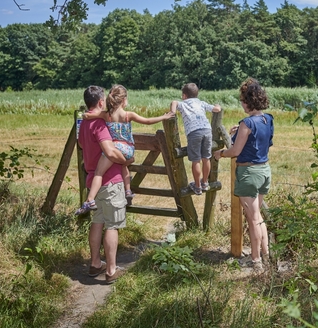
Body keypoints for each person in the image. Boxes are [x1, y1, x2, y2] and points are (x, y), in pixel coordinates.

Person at [76, 84, 174, 214]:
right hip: (128, 149)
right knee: (124, 166)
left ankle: (90, 200)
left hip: (115, 148)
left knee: (98, 172)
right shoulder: (128, 115)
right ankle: (128, 191)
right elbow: (148, 121)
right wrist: (163, 117)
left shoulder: (106, 115)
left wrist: (85, 116)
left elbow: (89, 116)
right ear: (124, 100)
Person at [213, 78, 273, 271]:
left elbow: (235, 152)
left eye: (242, 100)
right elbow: (262, 141)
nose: (242, 104)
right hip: (264, 170)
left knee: (253, 219)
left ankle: (255, 261)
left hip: (249, 172)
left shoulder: (246, 123)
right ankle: (266, 256)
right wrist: (238, 133)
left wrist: (219, 154)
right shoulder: (268, 119)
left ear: (249, 101)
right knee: (259, 217)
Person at [78, 85, 128, 283]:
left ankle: (95, 263)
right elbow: (109, 151)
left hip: (93, 181)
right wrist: (125, 160)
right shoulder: (98, 124)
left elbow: (82, 145)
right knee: (112, 225)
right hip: (109, 181)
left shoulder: (83, 122)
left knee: (97, 221)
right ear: (100, 102)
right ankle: (111, 270)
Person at [170, 83, 221, 195]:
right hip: (207, 130)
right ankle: (205, 182)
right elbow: (216, 109)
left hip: (194, 132)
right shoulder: (201, 103)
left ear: (184, 96)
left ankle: (197, 186)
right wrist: (218, 105)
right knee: (206, 157)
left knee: (196, 160)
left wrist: (172, 113)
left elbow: (174, 102)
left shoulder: (183, 104)